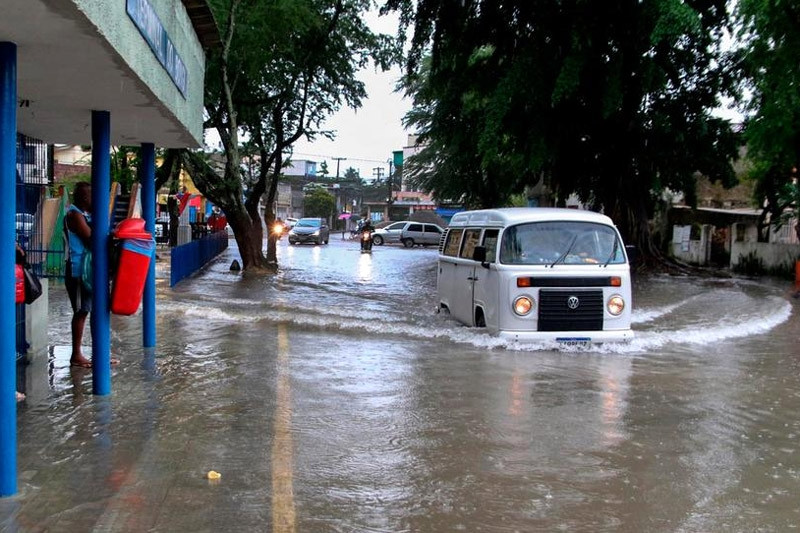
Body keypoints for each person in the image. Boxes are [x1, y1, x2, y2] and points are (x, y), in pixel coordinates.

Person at [64, 182, 94, 369]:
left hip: (86, 269)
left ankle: (94, 352)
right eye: (92, 197)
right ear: (84, 198)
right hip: (77, 270)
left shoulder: (83, 214)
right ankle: (76, 354)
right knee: (81, 310)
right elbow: (91, 238)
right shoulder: (74, 214)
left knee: (88, 309)